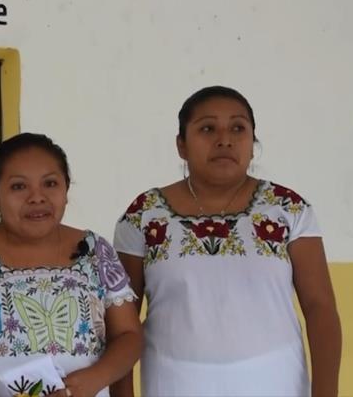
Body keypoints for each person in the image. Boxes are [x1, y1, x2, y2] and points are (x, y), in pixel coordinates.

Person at [113, 86, 341, 396]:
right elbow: (121, 325)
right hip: (174, 384)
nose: (224, 139)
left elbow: (320, 309)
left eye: (238, 128)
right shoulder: (144, 215)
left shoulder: (288, 209)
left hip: (277, 383)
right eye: (207, 128)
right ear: (181, 145)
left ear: (253, 144)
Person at [0, 133, 142, 397]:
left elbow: (129, 335)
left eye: (50, 183)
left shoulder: (95, 251)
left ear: (66, 189)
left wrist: (93, 380)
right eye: (19, 187)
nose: (37, 198)